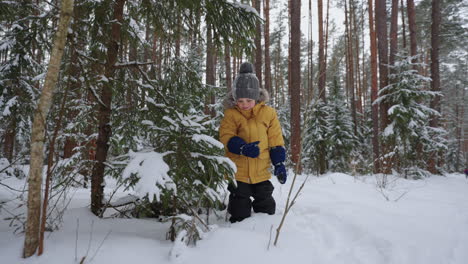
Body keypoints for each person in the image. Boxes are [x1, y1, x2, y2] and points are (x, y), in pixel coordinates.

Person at [219, 62, 287, 223]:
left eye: (248, 100)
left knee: (266, 206)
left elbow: (275, 139)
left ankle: (264, 231)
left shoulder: (269, 114)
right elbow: (226, 136)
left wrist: (279, 164)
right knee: (239, 209)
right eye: (240, 100)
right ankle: (238, 232)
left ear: (257, 97)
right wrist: (241, 147)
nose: (244, 105)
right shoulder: (231, 114)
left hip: (261, 170)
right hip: (239, 171)